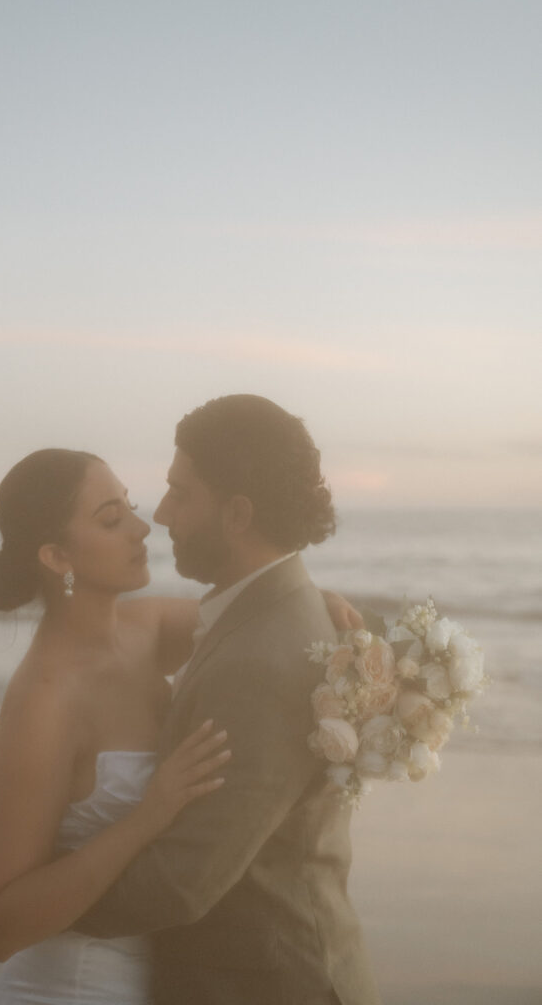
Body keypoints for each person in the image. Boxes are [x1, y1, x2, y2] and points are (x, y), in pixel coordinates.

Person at [0, 441, 359, 1004]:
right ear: (57, 557)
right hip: (74, 987)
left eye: (129, 505)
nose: (142, 527)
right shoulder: (45, 701)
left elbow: (256, 616)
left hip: (163, 977)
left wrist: (317, 600)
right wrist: (148, 815)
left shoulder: (146, 629)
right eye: (112, 519)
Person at [72, 395, 381, 1005]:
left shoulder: (264, 658)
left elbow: (181, 885)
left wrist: (38, 906)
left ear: (237, 513)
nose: (161, 514)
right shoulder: (272, 611)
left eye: (180, 494)